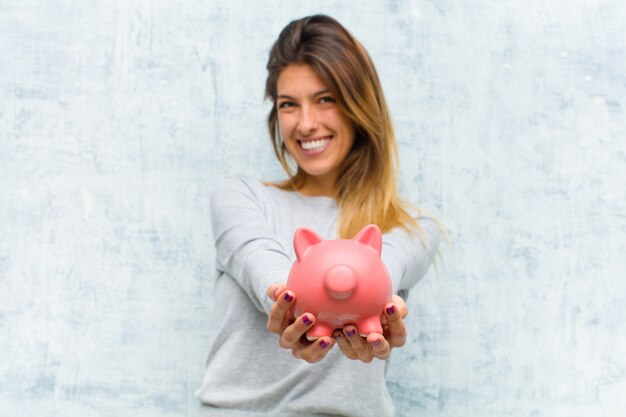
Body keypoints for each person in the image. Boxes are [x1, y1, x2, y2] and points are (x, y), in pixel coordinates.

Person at [196, 14, 444, 417]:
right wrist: (289, 303)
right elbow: (262, 265)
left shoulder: (410, 227)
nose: (306, 123)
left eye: (325, 98)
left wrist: (375, 304)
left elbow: (385, 266)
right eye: (288, 105)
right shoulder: (240, 198)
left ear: (359, 106)